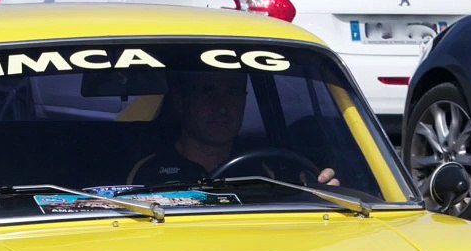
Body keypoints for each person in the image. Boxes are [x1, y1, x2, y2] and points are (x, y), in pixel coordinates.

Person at [127, 70, 339, 187]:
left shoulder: (273, 171)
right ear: (181, 101)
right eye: (207, 92)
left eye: (234, 93)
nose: (221, 106)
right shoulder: (147, 172)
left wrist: (327, 193)